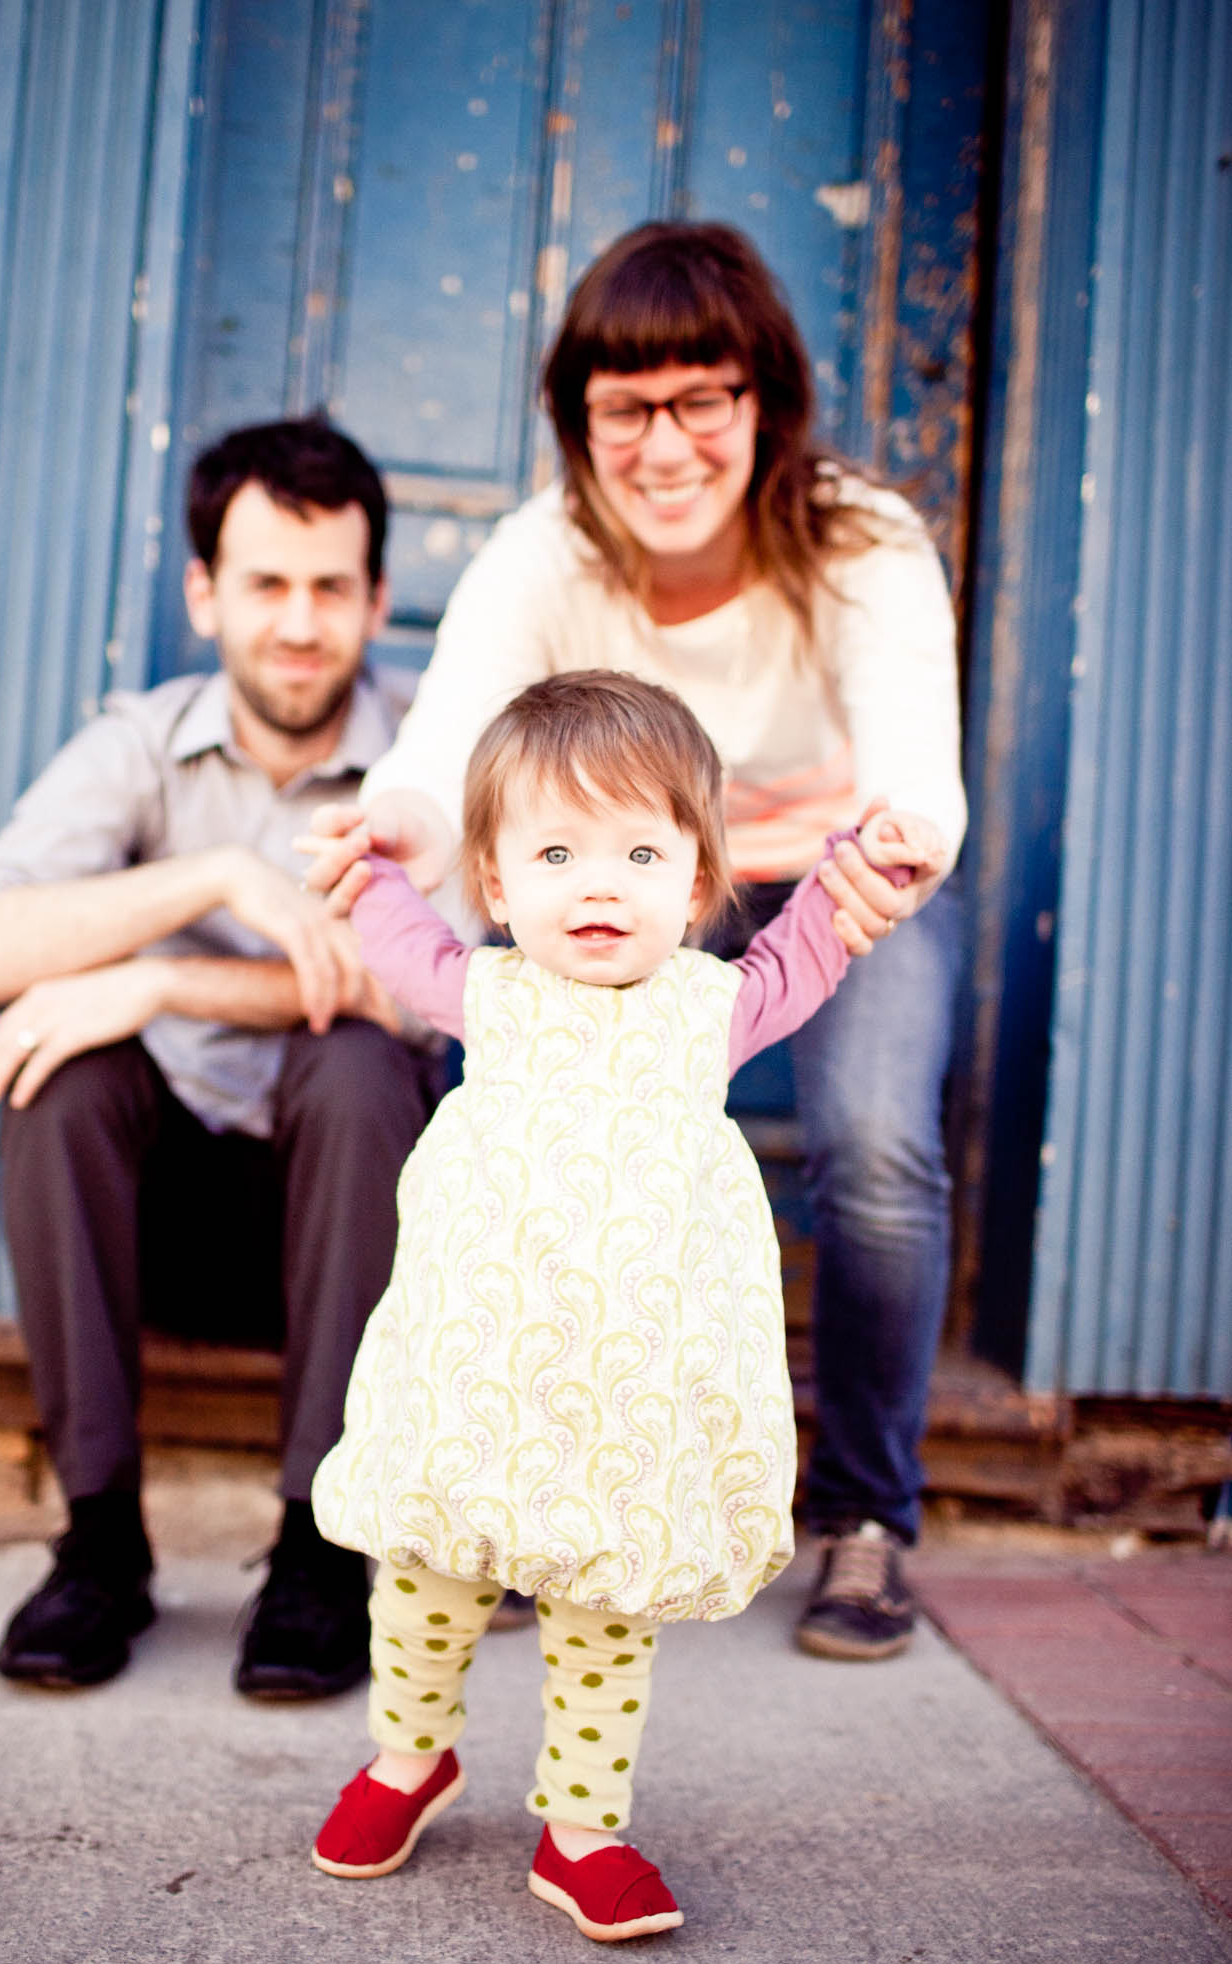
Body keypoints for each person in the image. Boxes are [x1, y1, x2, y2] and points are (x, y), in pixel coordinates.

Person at [308, 222, 966, 1663]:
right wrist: (401, 829)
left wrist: (903, 842)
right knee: (497, 1125)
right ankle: (511, 1492)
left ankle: (867, 1516)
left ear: (763, 403)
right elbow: (445, 739)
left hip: (838, 878)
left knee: (873, 1144)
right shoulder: (543, 553)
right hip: (615, 876)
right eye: (625, 407)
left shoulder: (862, 537)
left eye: (700, 400)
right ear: (578, 420)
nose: (664, 445)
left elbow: (918, 754)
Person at [301, 672, 948, 1939]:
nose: (599, 884)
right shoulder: (484, 995)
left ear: (698, 884)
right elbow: (391, 924)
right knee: (427, 1578)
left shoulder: (713, 1010)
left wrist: (857, 861)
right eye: (555, 851)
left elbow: (814, 941)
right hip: (474, 1385)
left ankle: (584, 1830)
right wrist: (365, 859)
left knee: (606, 1616)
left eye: (642, 851)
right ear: (495, 885)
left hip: (621, 1411)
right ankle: (406, 1758)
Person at [0, 415, 448, 1697]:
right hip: (157, 1231)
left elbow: (443, 995)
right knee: (63, 1067)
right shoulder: (139, 747)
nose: (299, 623)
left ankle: (322, 1554)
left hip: (358, 1239)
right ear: (205, 591)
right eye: (266, 583)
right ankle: (99, 1545)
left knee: (364, 1067)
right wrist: (208, 879)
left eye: (332, 587)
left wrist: (159, 979)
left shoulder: (428, 764)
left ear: (378, 598)